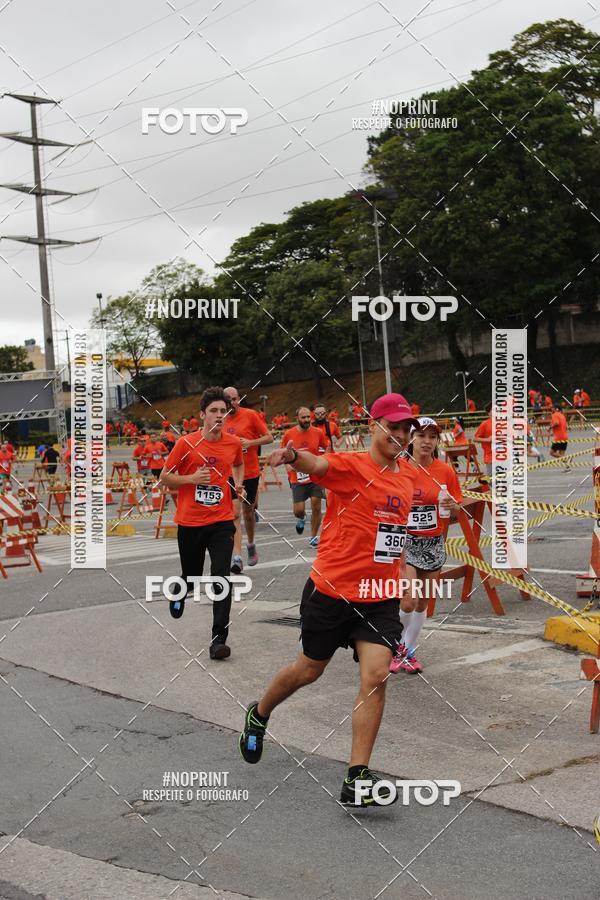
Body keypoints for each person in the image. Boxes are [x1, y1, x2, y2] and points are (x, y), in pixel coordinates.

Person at [239, 393, 419, 806]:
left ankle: (356, 779)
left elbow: (396, 532)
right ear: (373, 426)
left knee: (376, 677)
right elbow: (317, 464)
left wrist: (405, 570)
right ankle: (260, 713)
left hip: (379, 596)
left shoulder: (408, 477)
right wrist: (291, 455)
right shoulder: (352, 466)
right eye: (392, 426)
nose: (400, 434)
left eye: (405, 427)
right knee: (307, 671)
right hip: (332, 590)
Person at [160, 387, 245, 659]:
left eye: (223, 411)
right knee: (193, 576)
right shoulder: (186, 443)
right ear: (202, 415)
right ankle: (179, 589)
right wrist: (191, 480)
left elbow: (239, 463)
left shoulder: (233, 443)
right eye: (214, 411)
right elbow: (165, 477)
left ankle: (219, 639)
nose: (219, 416)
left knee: (222, 576)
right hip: (190, 522)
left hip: (220, 522)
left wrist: (238, 486)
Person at [389, 418, 462, 674]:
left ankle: (407, 652)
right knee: (408, 601)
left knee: (423, 603)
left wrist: (453, 508)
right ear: (411, 439)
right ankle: (392, 644)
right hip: (405, 542)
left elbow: (454, 511)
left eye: (432, 437)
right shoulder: (398, 468)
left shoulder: (445, 471)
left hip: (433, 542)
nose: (427, 442)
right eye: (421, 436)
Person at [223, 386, 273, 570]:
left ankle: (251, 544)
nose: (233, 403)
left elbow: (269, 437)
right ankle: (236, 556)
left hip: (250, 472)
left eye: (235, 399)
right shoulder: (220, 419)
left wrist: (250, 442)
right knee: (235, 513)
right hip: (229, 473)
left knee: (248, 513)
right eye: (229, 400)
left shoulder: (250, 415)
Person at [282, 408, 328, 546]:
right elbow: (284, 453)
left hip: (315, 475)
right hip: (297, 477)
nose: (307, 420)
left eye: (308, 417)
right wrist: (288, 466)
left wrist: (325, 461)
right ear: (297, 418)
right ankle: (301, 518)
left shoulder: (318, 433)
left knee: (316, 505)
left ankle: (313, 537)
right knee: (299, 510)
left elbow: (326, 447)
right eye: (303, 417)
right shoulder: (289, 434)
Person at [473, 403, 493, 476]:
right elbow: (475, 438)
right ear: (489, 413)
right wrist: (487, 440)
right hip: (491, 457)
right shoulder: (485, 424)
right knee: (492, 481)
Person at [549, 403, 570, 471]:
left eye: (552, 408)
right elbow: (566, 426)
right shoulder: (562, 415)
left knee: (552, 452)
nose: (551, 409)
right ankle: (568, 468)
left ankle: (568, 459)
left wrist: (550, 427)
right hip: (565, 436)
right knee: (561, 454)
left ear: (556, 409)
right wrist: (554, 432)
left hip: (559, 437)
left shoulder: (554, 415)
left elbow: (556, 423)